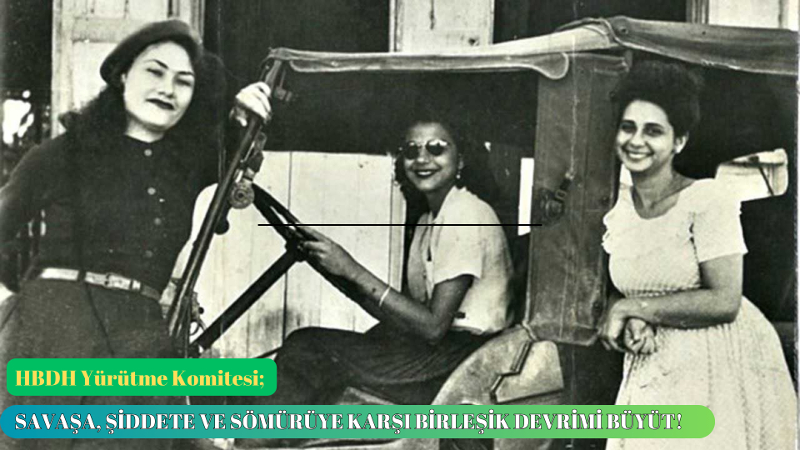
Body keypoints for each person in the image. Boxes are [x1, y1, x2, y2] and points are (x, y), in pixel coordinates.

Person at [0, 19, 271, 450]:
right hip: (54, 330)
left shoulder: (189, 165)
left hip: (139, 337)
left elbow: (241, 152)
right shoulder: (62, 153)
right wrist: (17, 307)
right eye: (154, 71)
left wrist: (240, 111)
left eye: (183, 81)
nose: (167, 89)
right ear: (123, 75)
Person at [241, 117, 513, 408]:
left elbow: (433, 327)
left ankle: (258, 430)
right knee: (309, 351)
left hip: (460, 358)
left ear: (461, 160)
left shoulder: (466, 214)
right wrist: (339, 272)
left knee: (306, 348)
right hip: (438, 350)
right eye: (411, 150)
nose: (422, 159)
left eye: (436, 148)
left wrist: (351, 269)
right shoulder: (430, 219)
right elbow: (404, 315)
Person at [598, 61, 796, 449]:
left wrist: (633, 309)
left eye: (653, 131)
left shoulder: (708, 199)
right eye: (628, 127)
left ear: (679, 141)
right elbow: (630, 285)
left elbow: (725, 300)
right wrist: (632, 315)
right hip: (651, 358)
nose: (636, 140)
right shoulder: (617, 210)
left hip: (716, 358)